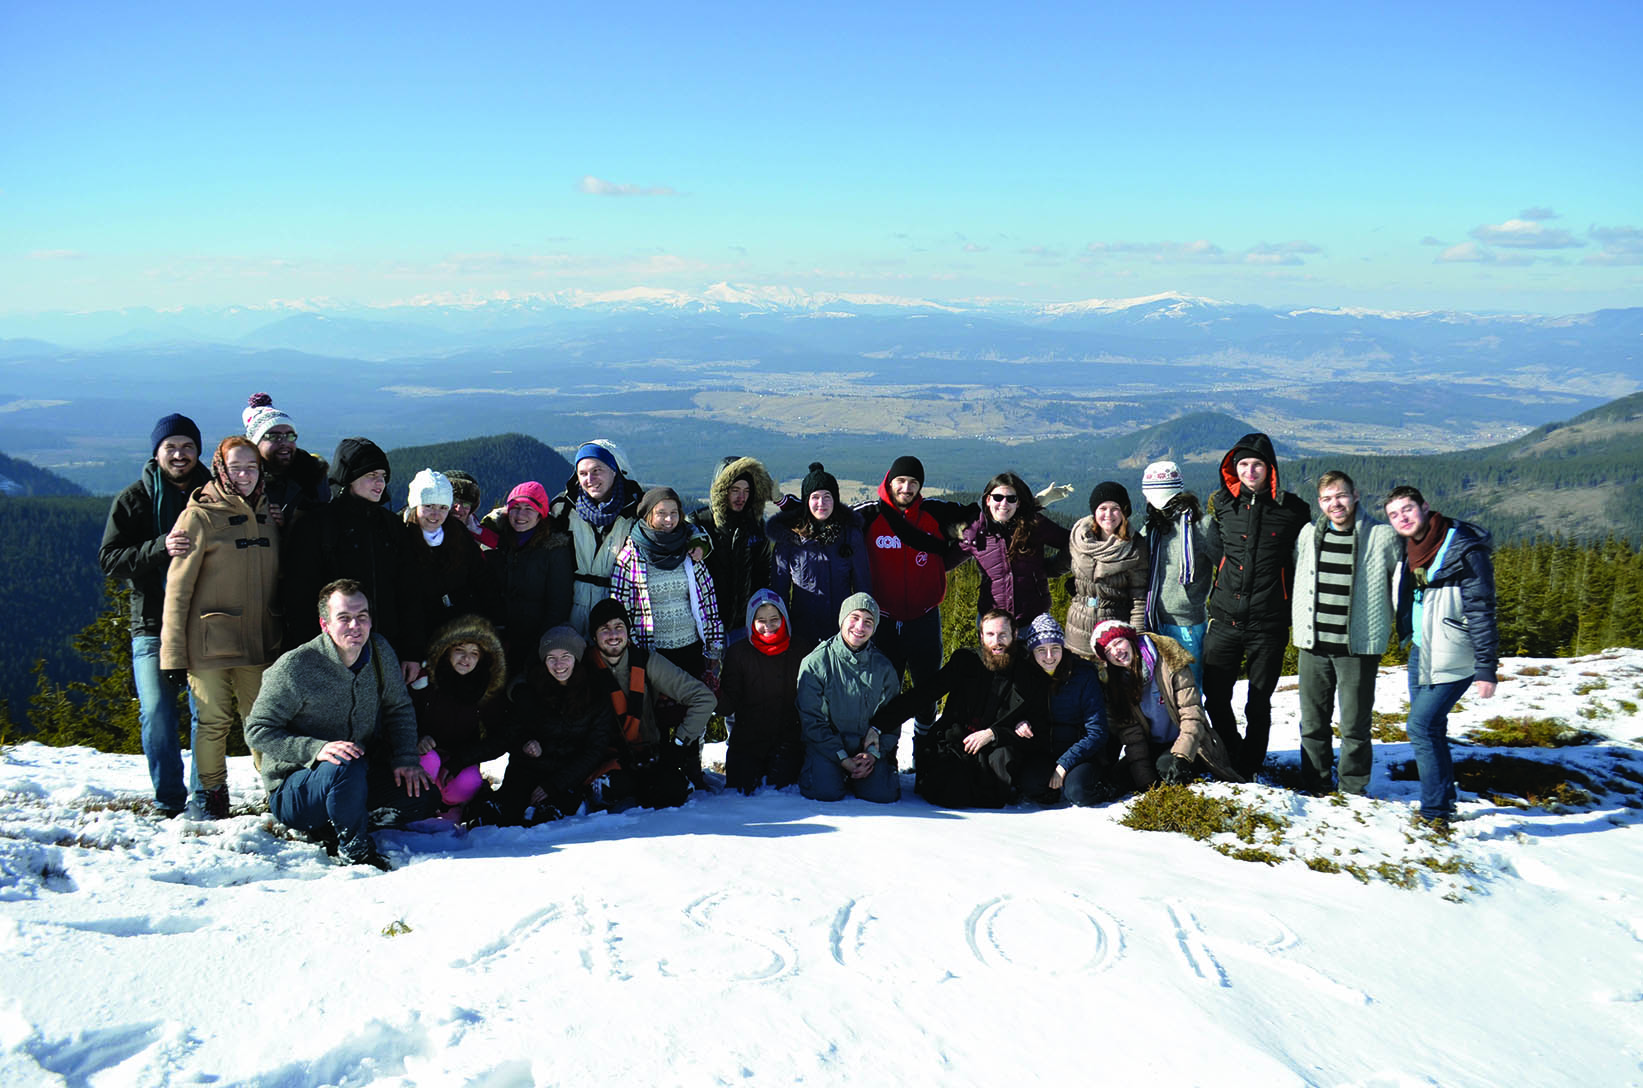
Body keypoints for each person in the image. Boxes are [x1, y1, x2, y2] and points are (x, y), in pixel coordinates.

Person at [244, 580, 432, 870]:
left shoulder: (380, 651)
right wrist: (316, 749)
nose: (355, 625)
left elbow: (398, 708)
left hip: (356, 775)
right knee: (345, 764)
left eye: (362, 616)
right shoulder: (295, 667)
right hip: (297, 788)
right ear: (325, 624)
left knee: (422, 796)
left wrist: (405, 758)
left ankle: (339, 821)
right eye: (344, 618)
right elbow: (257, 730)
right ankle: (354, 849)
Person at [159, 435, 282, 819]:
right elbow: (177, 590)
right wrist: (173, 655)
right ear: (220, 469)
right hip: (208, 642)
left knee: (262, 719)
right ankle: (211, 797)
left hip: (259, 638)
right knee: (212, 721)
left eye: (251, 467)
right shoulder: (199, 515)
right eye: (236, 467)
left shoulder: (267, 513)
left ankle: (278, 793)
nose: (244, 475)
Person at [98, 412, 210, 817]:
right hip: (152, 623)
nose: (179, 454)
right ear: (157, 451)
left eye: (187, 447)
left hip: (204, 621)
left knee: (206, 715)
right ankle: (168, 799)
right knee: (158, 714)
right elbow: (110, 559)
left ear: (198, 451)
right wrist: (160, 547)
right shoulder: (134, 499)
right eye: (171, 447)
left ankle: (204, 797)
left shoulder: (215, 495)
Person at [1385, 486, 1499, 825]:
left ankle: (1434, 812)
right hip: (1423, 649)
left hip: (1454, 654)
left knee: (1420, 726)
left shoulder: (1462, 547)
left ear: (1425, 507)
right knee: (1432, 729)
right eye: (1394, 514)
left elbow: (1481, 608)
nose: (1402, 517)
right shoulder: (1411, 548)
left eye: (1408, 509)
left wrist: (1486, 668)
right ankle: (1444, 802)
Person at [1201, 432, 1311, 778]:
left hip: (1269, 624)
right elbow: (1217, 549)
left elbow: (1302, 562)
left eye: (1257, 465)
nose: (1250, 471)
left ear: (1270, 468)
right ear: (1234, 468)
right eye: (1243, 464)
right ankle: (1231, 750)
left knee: (1258, 702)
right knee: (1215, 697)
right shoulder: (1222, 504)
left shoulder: (1293, 510)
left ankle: (1249, 765)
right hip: (1224, 620)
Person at [280, 437, 425, 680]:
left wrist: (411, 651)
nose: (380, 482)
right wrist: (310, 654)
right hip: (332, 656)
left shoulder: (391, 527)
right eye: (371, 475)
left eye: (383, 475)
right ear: (349, 477)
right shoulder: (317, 527)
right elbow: (300, 599)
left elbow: (409, 592)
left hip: (386, 654)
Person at [1292, 471, 1399, 795]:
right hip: (1314, 645)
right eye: (1326, 499)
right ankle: (1316, 784)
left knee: (1354, 725)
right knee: (1312, 724)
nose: (1334, 504)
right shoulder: (1309, 534)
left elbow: (1401, 584)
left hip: (1357, 646)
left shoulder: (1382, 537)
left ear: (1354, 496)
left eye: (1340, 496)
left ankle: (1353, 788)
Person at [857, 454, 972, 734]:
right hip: (882, 621)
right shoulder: (869, 514)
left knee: (928, 688)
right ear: (889, 480)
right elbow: (830, 517)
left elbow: (977, 516)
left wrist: (949, 557)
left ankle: (924, 747)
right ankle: (885, 754)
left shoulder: (934, 511)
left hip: (924, 619)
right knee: (885, 691)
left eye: (913, 483)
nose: (906, 488)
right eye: (901, 481)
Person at [875, 610, 1035, 808]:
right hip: (955, 742)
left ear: (1014, 635)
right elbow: (923, 695)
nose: (997, 642)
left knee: (997, 783)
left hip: (996, 748)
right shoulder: (966, 662)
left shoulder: (1025, 673)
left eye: (1003, 635)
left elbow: (1038, 719)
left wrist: (995, 733)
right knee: (950, 790)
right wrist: (878, 726)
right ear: (981, 636)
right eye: (990, 635)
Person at [585, 597, 716, 806]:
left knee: (672, 791)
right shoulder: (583, 668)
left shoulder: (646, 661)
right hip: (604, 759)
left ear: (627, 632)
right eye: (604, 629)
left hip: (649, 756)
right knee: (615, 788)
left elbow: (704, 698)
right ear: (593, 635)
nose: (612, 635)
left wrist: (679, 744)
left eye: (619, 627)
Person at [1091, 620, 1238, 790]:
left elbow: (1192, 714)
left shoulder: (1169, 661)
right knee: (1120, 777)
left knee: (1167, 766)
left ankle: (1198, 765)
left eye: (1118, 642)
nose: (1116, 652)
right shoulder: (1118, 684)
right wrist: (1145, 780)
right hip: (1153, 745)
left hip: (1190, 743)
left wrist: (1182, 756)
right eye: (1108, 651)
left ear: (1130, 639)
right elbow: (1132, 735)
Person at [497, 626, 616, 825]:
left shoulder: (594, 692)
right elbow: (511, 732)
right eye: (551, 657)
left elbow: (595, 749)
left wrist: (554, 785)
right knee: (503, 816)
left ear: (576, 657)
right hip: (528, 769)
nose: (558, 664)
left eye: (565, 656)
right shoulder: (532, 688)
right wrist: (525, 743)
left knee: (547, 821)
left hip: (568, 775)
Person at [610, 486, 724, 687]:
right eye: (661, 513)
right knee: (659, 713)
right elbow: (620, 607)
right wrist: (634, 650)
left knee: (691, 709)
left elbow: (709, 600)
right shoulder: (631, 556)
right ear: (648, 515)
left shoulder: (689, 550)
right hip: (653, 653)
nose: (669, 520)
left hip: (691, 648)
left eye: (673, 513)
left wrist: (714, 645)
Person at [796, 593, 902, 804]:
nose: (860, 627)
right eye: (854, 618)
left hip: (866, 749)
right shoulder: (816, 662)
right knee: (826, 792)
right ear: (842, 619)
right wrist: (842, 758)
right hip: (828, 747)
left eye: (868, 622)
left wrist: (872, 754)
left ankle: (870, 773)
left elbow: (892, 718)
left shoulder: (883, 667)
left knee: (882, 794)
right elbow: (811, 719)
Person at [410, 614, 511, 824]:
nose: (466, 659)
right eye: (460, 651)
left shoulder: (485, 688)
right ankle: (418, 806)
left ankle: (448, 805)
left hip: (457, 758)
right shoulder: (425, 679)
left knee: (468, 782)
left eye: (474, 653)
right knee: (429, 760)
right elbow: (398, 716)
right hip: (422, 754)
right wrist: (416, 738)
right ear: (447, 651)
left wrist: (461, 760)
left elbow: (501, 736)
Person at [769, 462, 871, 652]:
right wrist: (779, 631)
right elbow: (779, 590)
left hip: (844, 634)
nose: (821, 503)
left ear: (836, 499)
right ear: (807, 501)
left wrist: (863, 627)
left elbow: (862, 586)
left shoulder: (850, 535)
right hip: (802, 635)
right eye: (815, 497)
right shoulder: (790, 539)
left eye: (827, 497)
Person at [1017, 614, 1113, 806]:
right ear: (1032, 652)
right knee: (1029, 785)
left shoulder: (1083, 675)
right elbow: (1013, 710)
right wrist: (1019, 722)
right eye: (1041, 650)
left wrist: (1064, 764)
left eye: (1055, 648)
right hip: (1044, 751)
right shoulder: (1026, 676)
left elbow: (1097, 731)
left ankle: (1108, 787)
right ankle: (1051, 793)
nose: (1050, 657)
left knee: (1079, 792)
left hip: (1081, 751)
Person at [481, 481, 574, 677]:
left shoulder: (554, 549)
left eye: (529, 509)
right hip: (498, 638)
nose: (520, 515)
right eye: (515, 508)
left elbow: (558, 605)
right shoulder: (501, 542)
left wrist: (540, 647)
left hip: (534, 642)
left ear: (541, 513)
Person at [715, 589, 804, 793]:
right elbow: (729, 705)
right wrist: (712, 691)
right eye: (761, 620)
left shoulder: (799, 649)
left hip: (787, 739)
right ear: (751, 621)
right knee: (740, 789)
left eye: (774, 619)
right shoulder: (738, 653)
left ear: (784, 618)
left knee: (784, 789)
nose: (768, 626)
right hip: (748, 740)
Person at [550, 440, 642, 635]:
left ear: (615, 470)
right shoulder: (564, 508)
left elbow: (673, 526)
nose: (589, 479)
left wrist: (698, 540)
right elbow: (526, 521)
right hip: (571, 608)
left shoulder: (637, 510)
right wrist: (496, 521)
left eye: (597, 470)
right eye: (582, 473)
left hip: (618, 610)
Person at [1136, 461, 1214, 684]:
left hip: (1186, 623)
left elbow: (1226, 564)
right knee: (1162, 690)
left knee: (1189, 687)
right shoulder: (1153, 527)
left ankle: (1193, 721)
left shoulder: (1200, 526)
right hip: (1153, 621)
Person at [960, 471, 1070, 628]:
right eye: (998, 497)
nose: (1004, 503)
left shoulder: (1034, 525)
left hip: (1034, 621)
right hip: (993, 623)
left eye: (1011, 499)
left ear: (1018, 503)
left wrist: (1053, 567)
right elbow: (944, 563)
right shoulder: (975, 531)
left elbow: (1073, 543)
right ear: (988, 499)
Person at [689, 455, 779, 644]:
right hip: (705, 625)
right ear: (722, 491)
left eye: (746, 491)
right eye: (735, 490)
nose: (741, 497)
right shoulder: (699, 524)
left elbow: (764, 575)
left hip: (744, 625)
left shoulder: (756, 527)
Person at [403, 468, 495, 633]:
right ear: (415, 504)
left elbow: (481, 579)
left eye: (443, 507)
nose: (435, 514)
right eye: (429, 506)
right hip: (413, 633)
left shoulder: (458, 533)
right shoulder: (400, 535)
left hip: (457, 630)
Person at [1066, 481, 1150, 657]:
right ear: (1094, 511)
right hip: (1076, 630)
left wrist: (1137, 639)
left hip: (1114, 634)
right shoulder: (1079, 539)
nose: (1108, 514)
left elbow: (1139, 598)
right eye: (1103, 508)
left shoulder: (1135, 547)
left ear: (1124, 512)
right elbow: (1052, 567)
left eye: (1115, 508)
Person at [243, 393, 328, 529]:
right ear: (255, 444)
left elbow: (323, 526)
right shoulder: (241, 479)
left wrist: (288, 524)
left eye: (290, 436)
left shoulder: (313, 475)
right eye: (273, 437)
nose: (284, 443)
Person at [446, 470, 498, 549]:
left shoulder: (476, 531)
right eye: (453, 501)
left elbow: (500, 544)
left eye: (466, 503)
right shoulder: (425, 533)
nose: (459, 509)